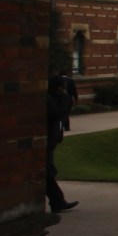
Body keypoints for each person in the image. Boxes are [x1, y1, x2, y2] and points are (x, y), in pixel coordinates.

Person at [46, 75, 79, 212]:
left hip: (51, 139)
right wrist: (65, 99)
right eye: (63, 86)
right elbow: (58, 114)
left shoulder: (52, 97)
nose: (65, 89)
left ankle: (57, 201)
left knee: (48, 171)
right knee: (46, 173)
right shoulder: (50, 98)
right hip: (47, 140)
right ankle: (57, 201)